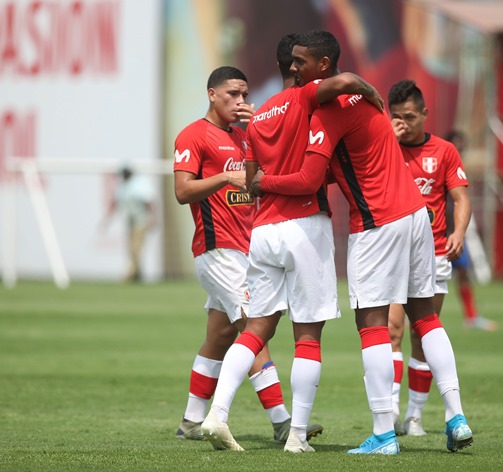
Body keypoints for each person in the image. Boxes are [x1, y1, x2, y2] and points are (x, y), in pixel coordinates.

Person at [252, 30, 473, 454]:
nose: (293, 68)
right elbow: (347, 163)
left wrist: (264, 183)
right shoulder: (364, 101)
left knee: (371, 325)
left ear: (323, 65)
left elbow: (310, 180)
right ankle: (456, 416)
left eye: (300, 62)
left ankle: (384, 434)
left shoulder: (328, 113)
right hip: (416, 217)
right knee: (425, 318)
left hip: (378, 223)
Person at [200, 33, 384, 453]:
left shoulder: (259, 114)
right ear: (298, 67)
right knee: (308, 336)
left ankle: (217, 414)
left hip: (262, 231)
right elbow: (343, 83)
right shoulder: (303, 99)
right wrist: (366, 87)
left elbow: (251, 179)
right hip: (304, 224)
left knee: (255, 330)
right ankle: (297, 436)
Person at [172, 66, 321, 447]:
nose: (240, 101)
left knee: (220, 334)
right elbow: (182, 191)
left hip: (246, 249)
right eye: (232, 95)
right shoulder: (193, 135)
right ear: (211, 94)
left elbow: (269, 173)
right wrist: (224, 178)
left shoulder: (244, 136)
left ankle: (191, 420)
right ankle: (282, 421)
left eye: (244, 94)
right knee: (254, 329)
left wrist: (262, 126)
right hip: (218, 248)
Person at [385, 81, 472, 437]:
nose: (403, 123)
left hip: (433, 253)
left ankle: (416, 417)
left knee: (423, 334)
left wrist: (459, 232)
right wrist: (387, 139)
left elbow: (460, 198)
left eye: (409, 116)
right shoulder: (383, 147)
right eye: (396, 117)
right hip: (390, 255)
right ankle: (389, 408)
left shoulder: (445, 151)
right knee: (392, 329)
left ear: (424, 113)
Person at [445, 130, 497, 332]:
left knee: (463, 272)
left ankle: (471, 316)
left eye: (461, 146)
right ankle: (408, 316)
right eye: (455, 145)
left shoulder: (458, 169)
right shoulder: (436, 164)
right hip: (434, 232)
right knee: (419, 277)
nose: (459, 149)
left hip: (453, 232)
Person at [101, 166, 156, 282]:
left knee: (136, 248)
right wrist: (106, 221)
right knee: (132, 249)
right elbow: (115, 204)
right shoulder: (122, 187)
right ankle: (137, 275)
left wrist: (153, 218)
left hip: (140, 221)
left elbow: (149, 202)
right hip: (130, 222)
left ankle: (130, 274)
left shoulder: (139, 185)